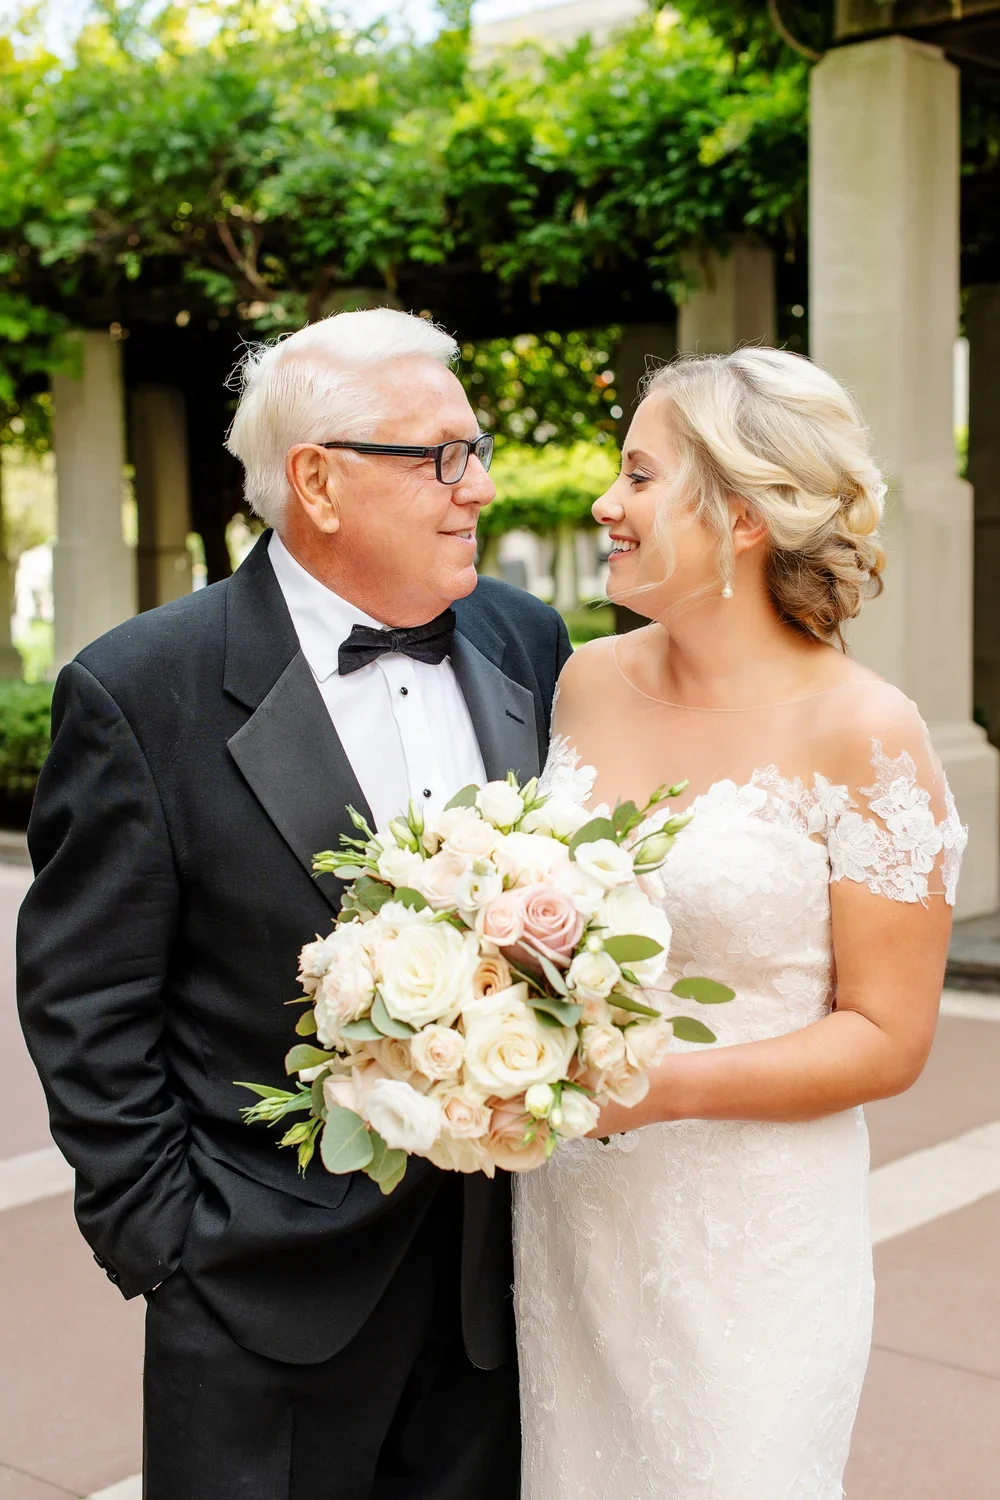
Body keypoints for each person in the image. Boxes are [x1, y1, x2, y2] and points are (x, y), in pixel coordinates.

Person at [18, 308, 570, 1500]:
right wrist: (168, 1242)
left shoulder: (527, 640)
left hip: (497, 1296)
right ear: (317, 481)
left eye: (475, 450)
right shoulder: (139, 688)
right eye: (440, 456)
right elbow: (85, 1005)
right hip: (258, 1301)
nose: (477, 486)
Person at [514, 347, 965, 1499]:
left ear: (744, 516)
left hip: (751, 1237)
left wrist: (652, 1088)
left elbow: (887, 1036)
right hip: (574, 1219)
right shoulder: (583, 682)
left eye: (639, 475)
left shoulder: (865, 730)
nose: (605, 503)